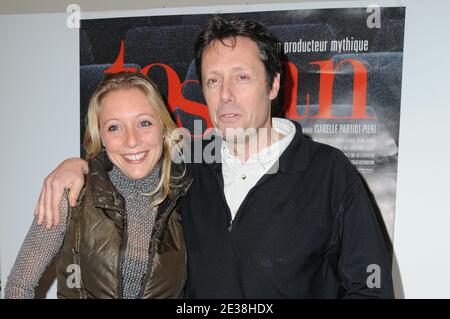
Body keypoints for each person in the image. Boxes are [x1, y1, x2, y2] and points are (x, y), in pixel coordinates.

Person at [34, 16, 394, 298]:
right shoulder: (183, 168)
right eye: (213, 81)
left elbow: (370, 289)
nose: (226, 95)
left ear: (273, 85)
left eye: (241, 77)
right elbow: (126, 159)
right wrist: (78, 165)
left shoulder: (330, 174)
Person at [5, 72, 192, 298]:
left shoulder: (189, 200)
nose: (131, 140)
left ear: (162, 128)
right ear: (101, 135)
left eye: (144, 123)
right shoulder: (72, 195)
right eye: (114, 127)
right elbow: (19, 286)